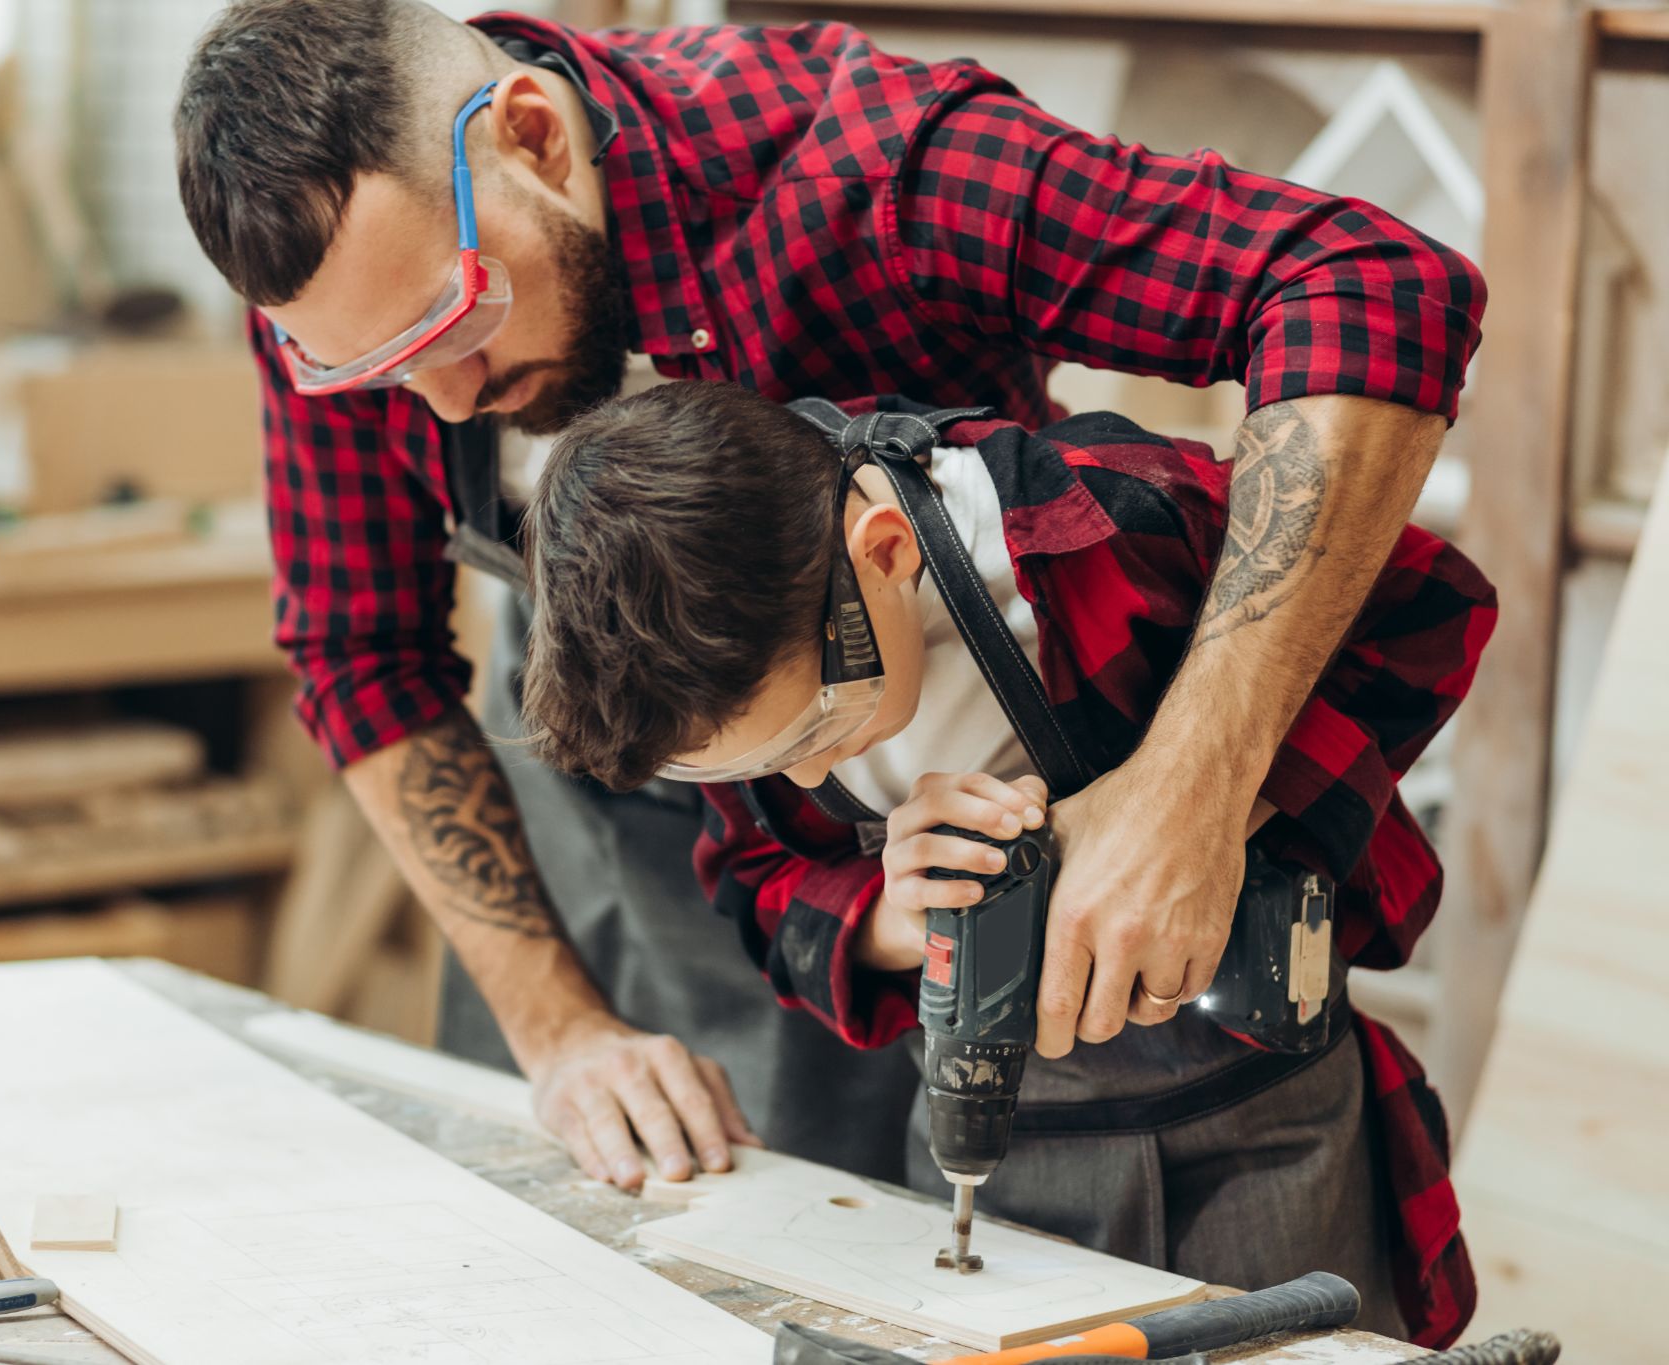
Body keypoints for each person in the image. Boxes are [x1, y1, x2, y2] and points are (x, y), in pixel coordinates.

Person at [171, 0, 1484, 1206]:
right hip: (615, 864)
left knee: (853, 1251)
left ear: (531, 138)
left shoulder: (878, 169)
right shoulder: (353, 295)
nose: (447, 403)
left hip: (892, 824)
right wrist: (559, 1029)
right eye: (382, 372)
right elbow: (364, 654)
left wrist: (1186, 794)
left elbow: (1368, 285)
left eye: (461, 324)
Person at [517, 381, 1496, 1343]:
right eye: (762, 764)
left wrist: (1189, 806)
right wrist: (893, 914)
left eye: (818, 727)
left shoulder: (1105, 523)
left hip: (1259, 1117)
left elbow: (1426, 612)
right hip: (994, 1137)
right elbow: (756, 885)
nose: (808, 772)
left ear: (886, 553)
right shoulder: (719, 672)